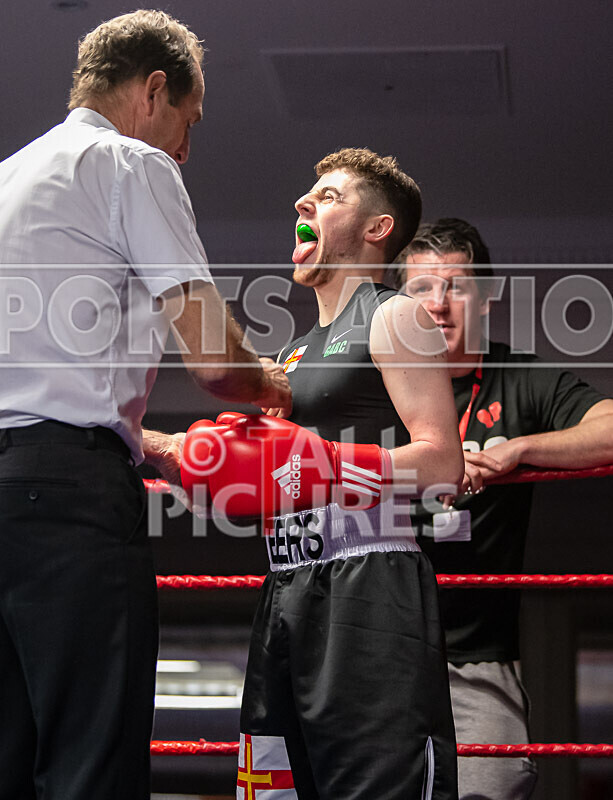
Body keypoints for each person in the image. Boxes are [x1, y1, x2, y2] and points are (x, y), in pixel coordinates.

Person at [0, 10, 290, 800]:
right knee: (92, 764)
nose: (186, 150)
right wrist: (277, 384)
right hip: (68, 498)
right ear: (153, 89)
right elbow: (217, 366)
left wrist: (141, 437)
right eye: (187, 123)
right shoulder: (129, 163)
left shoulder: (9, 176)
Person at [212, 148, 466, 799]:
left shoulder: (394, 315)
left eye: (327, 196)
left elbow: (440, 463)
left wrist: (323, 466)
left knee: (375, 784)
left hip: (369, 587)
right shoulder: (291, 356)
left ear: (377, 227)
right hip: (286, 587)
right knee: (273, 787)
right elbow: (276, 479)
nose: (303, 204)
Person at [392, 217, 613, 799]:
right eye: (420, 289)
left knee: (494, 784)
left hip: (478, 657)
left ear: (485, 298)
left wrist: (523, 449)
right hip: (377, 650)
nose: (438, 305)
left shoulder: (518, 378)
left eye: (456, 287)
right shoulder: (372, 381)